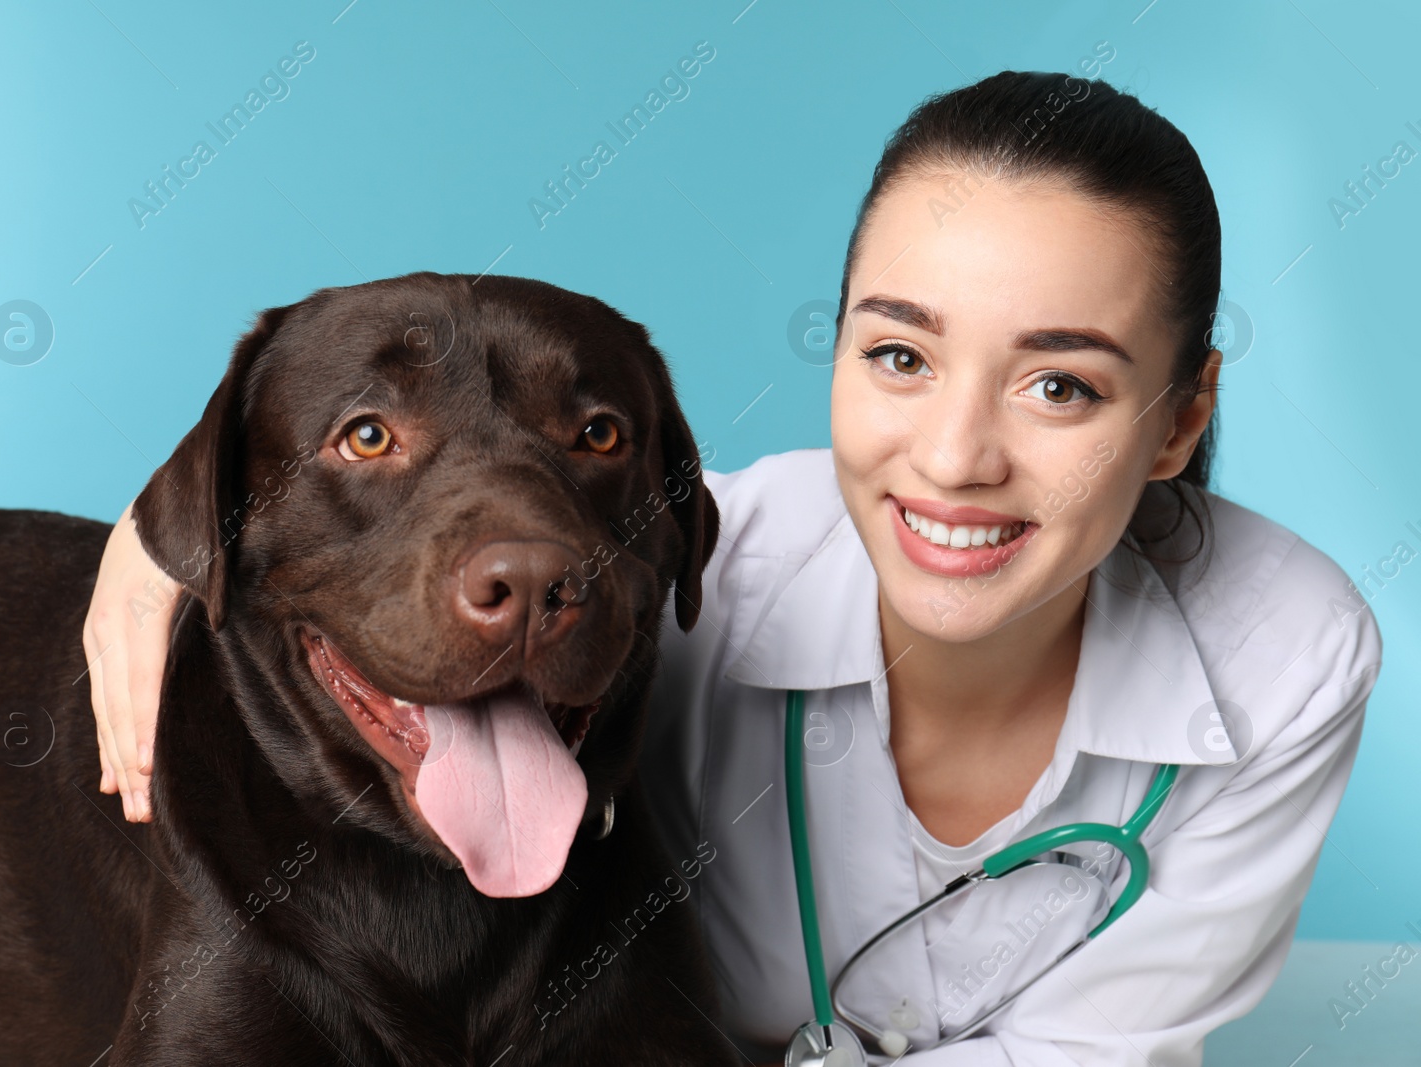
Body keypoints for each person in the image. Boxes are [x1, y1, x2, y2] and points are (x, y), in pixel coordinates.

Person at [83, 71, 1383, 1064]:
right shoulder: (728, 550)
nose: (956, 456)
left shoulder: (1286, 656)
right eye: (900, 356)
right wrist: (149, 559)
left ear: (1176, 418)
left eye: (1059, 384)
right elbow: (372, 488)